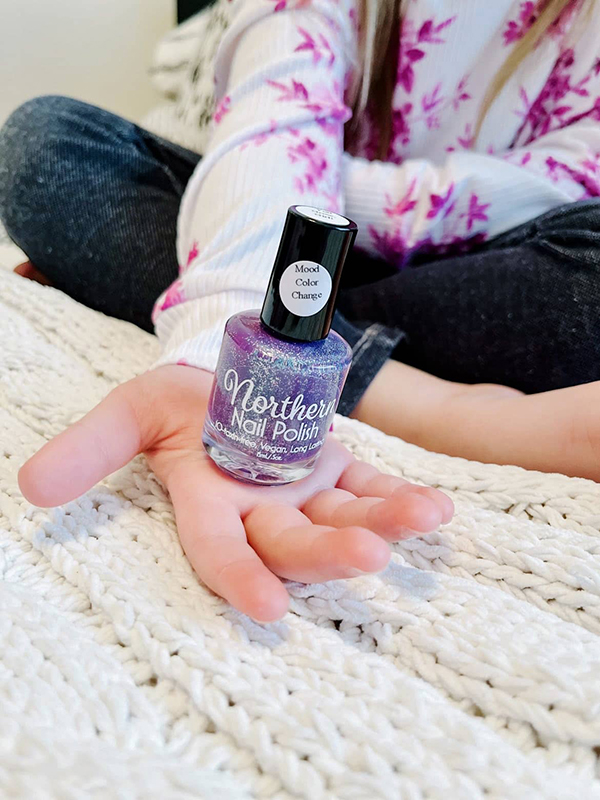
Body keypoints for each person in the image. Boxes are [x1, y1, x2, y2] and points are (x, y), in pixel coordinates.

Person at [1, 0, 599, 621]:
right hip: (267, 215)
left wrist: (332, 207)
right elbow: (275, 123)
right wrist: (227, 331)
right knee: (50, 148)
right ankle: (412, 398)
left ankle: (311, 338)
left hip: (470, 262)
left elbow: (567, 177)